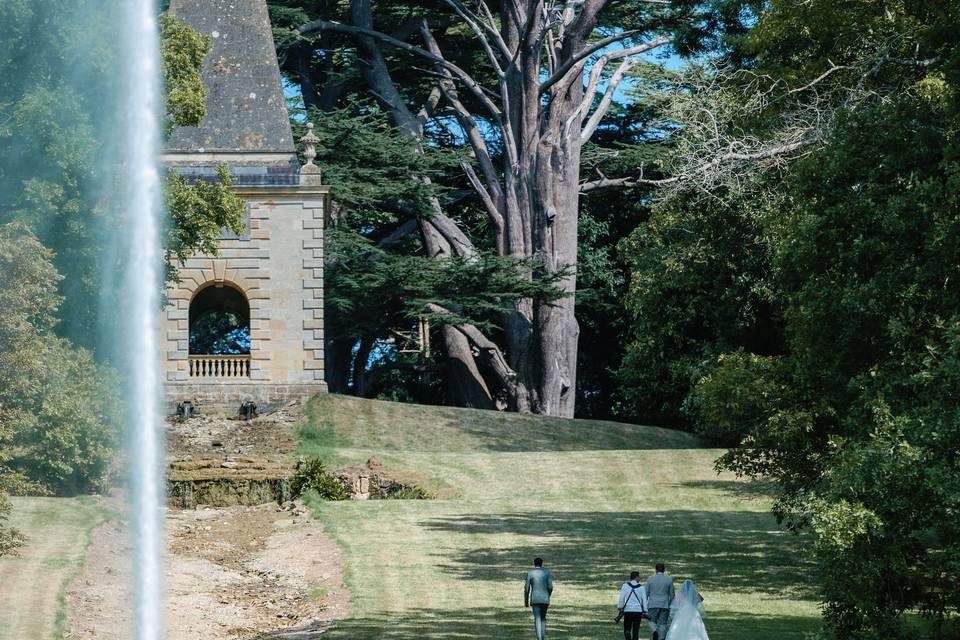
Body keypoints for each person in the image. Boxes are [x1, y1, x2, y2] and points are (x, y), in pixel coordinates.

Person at [524, 557, 553, 640]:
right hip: (545, 599)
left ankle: (539, 638)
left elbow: (526, 589)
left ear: (534, 563)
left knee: (537, 618)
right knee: (543, 618)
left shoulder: (530, 573)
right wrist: (548, 595)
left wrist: (526, 601)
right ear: (541, 563)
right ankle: (542, 638)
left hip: (535, 599)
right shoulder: (546, 573)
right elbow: (550, 587)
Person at [645, 563, 675, 640]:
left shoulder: (650, 579)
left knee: (652, 620)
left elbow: (646, 593)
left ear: (656, 569)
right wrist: (670, 604)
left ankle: (654, 631)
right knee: (663, 623)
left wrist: (644, 604)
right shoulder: (669, 579)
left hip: (652, 604)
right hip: (664, 604)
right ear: (664, 569)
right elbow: (672, 594)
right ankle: (661, 638)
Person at [617, 570, 648, 640]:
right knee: (636, 630)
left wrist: (620, 607)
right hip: (638, 611)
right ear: (636, 578)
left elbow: (622, 598)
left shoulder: (625, 586)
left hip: (628, 610)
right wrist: (645, 610)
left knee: (627, 628)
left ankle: (628, 634)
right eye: (639, 577)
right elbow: (644, 600)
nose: (639, 579)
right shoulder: (641, 587)